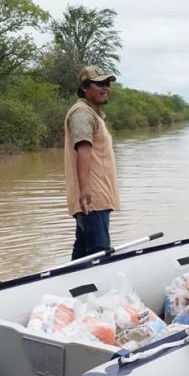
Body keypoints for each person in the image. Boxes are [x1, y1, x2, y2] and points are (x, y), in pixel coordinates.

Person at [63, 65, 121, 261]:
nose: (106, 88)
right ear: (85, 87)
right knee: (99, 253)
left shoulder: (92, 113)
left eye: (107, 84)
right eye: (99, 84)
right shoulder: (83, 114)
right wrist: (86, 191)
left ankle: (68, 287)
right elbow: (83, 151)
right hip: (92, 199)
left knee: (82, 252)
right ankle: (100, 291)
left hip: (96, 196)